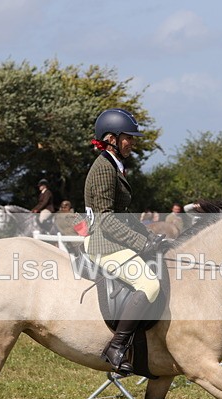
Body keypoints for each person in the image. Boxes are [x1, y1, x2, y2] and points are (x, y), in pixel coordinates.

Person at [84, 108, 164, 375]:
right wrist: (141, 244)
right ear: (111, 139)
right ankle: (116, 347)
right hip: (104, 243)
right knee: (149, 284)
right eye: (128, 137)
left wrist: (149, 235)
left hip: (113, 239)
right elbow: (107, 220)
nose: (132, 142)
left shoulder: (114, 165)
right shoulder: (104, 168)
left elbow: (124, 214)